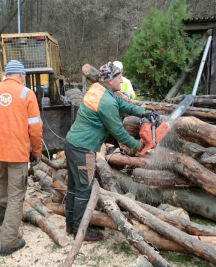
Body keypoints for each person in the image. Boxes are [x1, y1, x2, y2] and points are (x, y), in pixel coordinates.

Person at [63, 62, 153, 242]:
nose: (121, 79)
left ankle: (71, 225)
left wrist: (144, 112)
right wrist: (138, 146)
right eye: (119, 77)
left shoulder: (99, 89)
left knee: (74, 188)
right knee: (84, 190)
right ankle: (80, 230)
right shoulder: (106, 101)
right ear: (111, 80)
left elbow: (123, 104)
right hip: (84, 149)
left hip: (72, 144)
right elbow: (118, 132)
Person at [0, 60, 43, 256]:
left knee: (1, 180)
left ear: (7, 75)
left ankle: (0, 217)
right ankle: (9, 241)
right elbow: (36, 129)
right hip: (16, 152)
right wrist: (37, 153)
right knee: (17, 194)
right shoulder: (26, 94)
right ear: (21, 75)